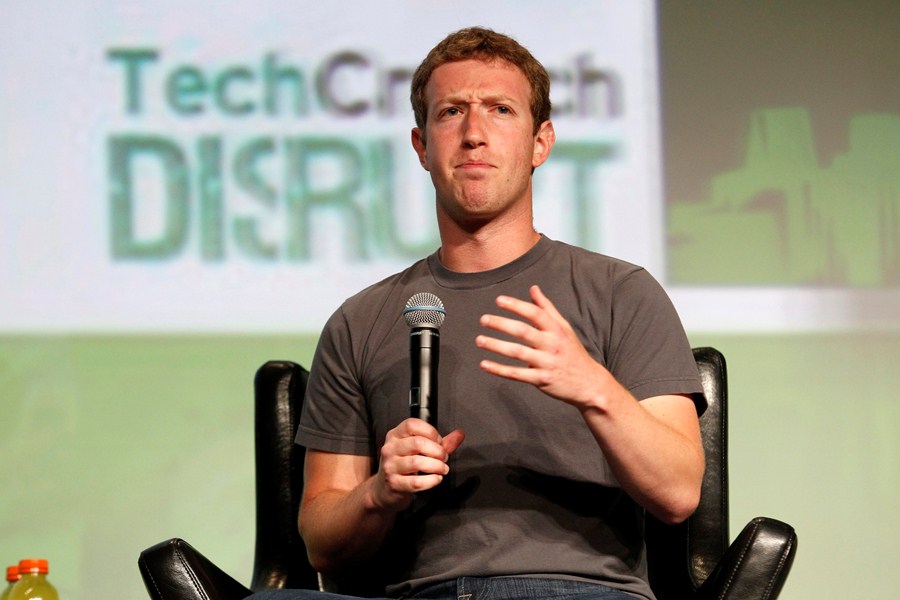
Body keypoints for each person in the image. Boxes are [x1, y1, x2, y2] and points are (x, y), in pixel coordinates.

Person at [251, 26, 705, 600]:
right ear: (421, 146)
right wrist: (378, 493)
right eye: (451, 112)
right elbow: (322, 542)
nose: (473, 134)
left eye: (500, 110)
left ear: (540, 143)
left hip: (574, 590)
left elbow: (678, 493)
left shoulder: (621, 293)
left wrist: (594, 387)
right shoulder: (360, 320)